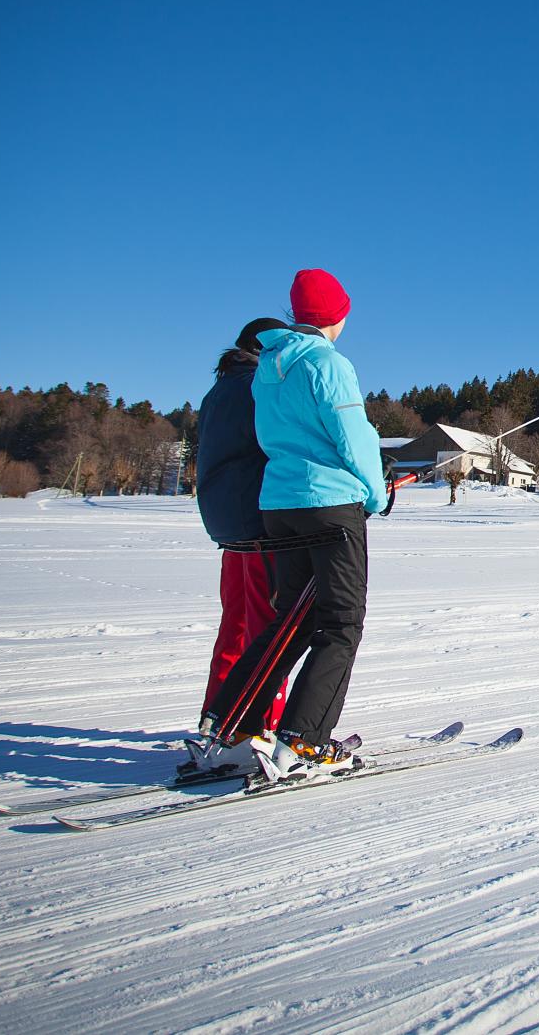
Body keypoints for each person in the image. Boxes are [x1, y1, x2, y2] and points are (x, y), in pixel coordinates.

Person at [205, 269, 388, 784]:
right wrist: (375, 492)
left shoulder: (269, 368)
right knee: (340, 624)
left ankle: (228, 724)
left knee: (291, 621)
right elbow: (353, 434)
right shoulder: (328, 362)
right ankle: (303, 739)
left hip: (279, 507)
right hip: (331, 507)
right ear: (338, 315)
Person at [181, 317, 289, 774]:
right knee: (271, 628)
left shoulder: (218, 391)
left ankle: (219, 721)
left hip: (229, 529)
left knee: (236, 626)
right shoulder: (257, 387)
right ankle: (256, 729)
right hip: (261, 525)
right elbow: (280, 444)